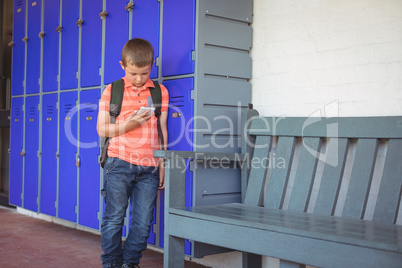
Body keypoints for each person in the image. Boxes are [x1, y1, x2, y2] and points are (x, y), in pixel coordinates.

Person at [97, 38, 169, 268]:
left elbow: (162, 129)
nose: (139, 79)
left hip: (149, 167)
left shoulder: (160, 91)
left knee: (143, 222)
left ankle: (130, 263)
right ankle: (111, 264)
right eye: (133, 73)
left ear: (153, 64)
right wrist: (129, 124)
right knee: (114, 218)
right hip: (119, 163)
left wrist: (163, 164)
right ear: (122, 66)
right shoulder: (113, 90)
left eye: (145, 73)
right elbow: (101, 128)